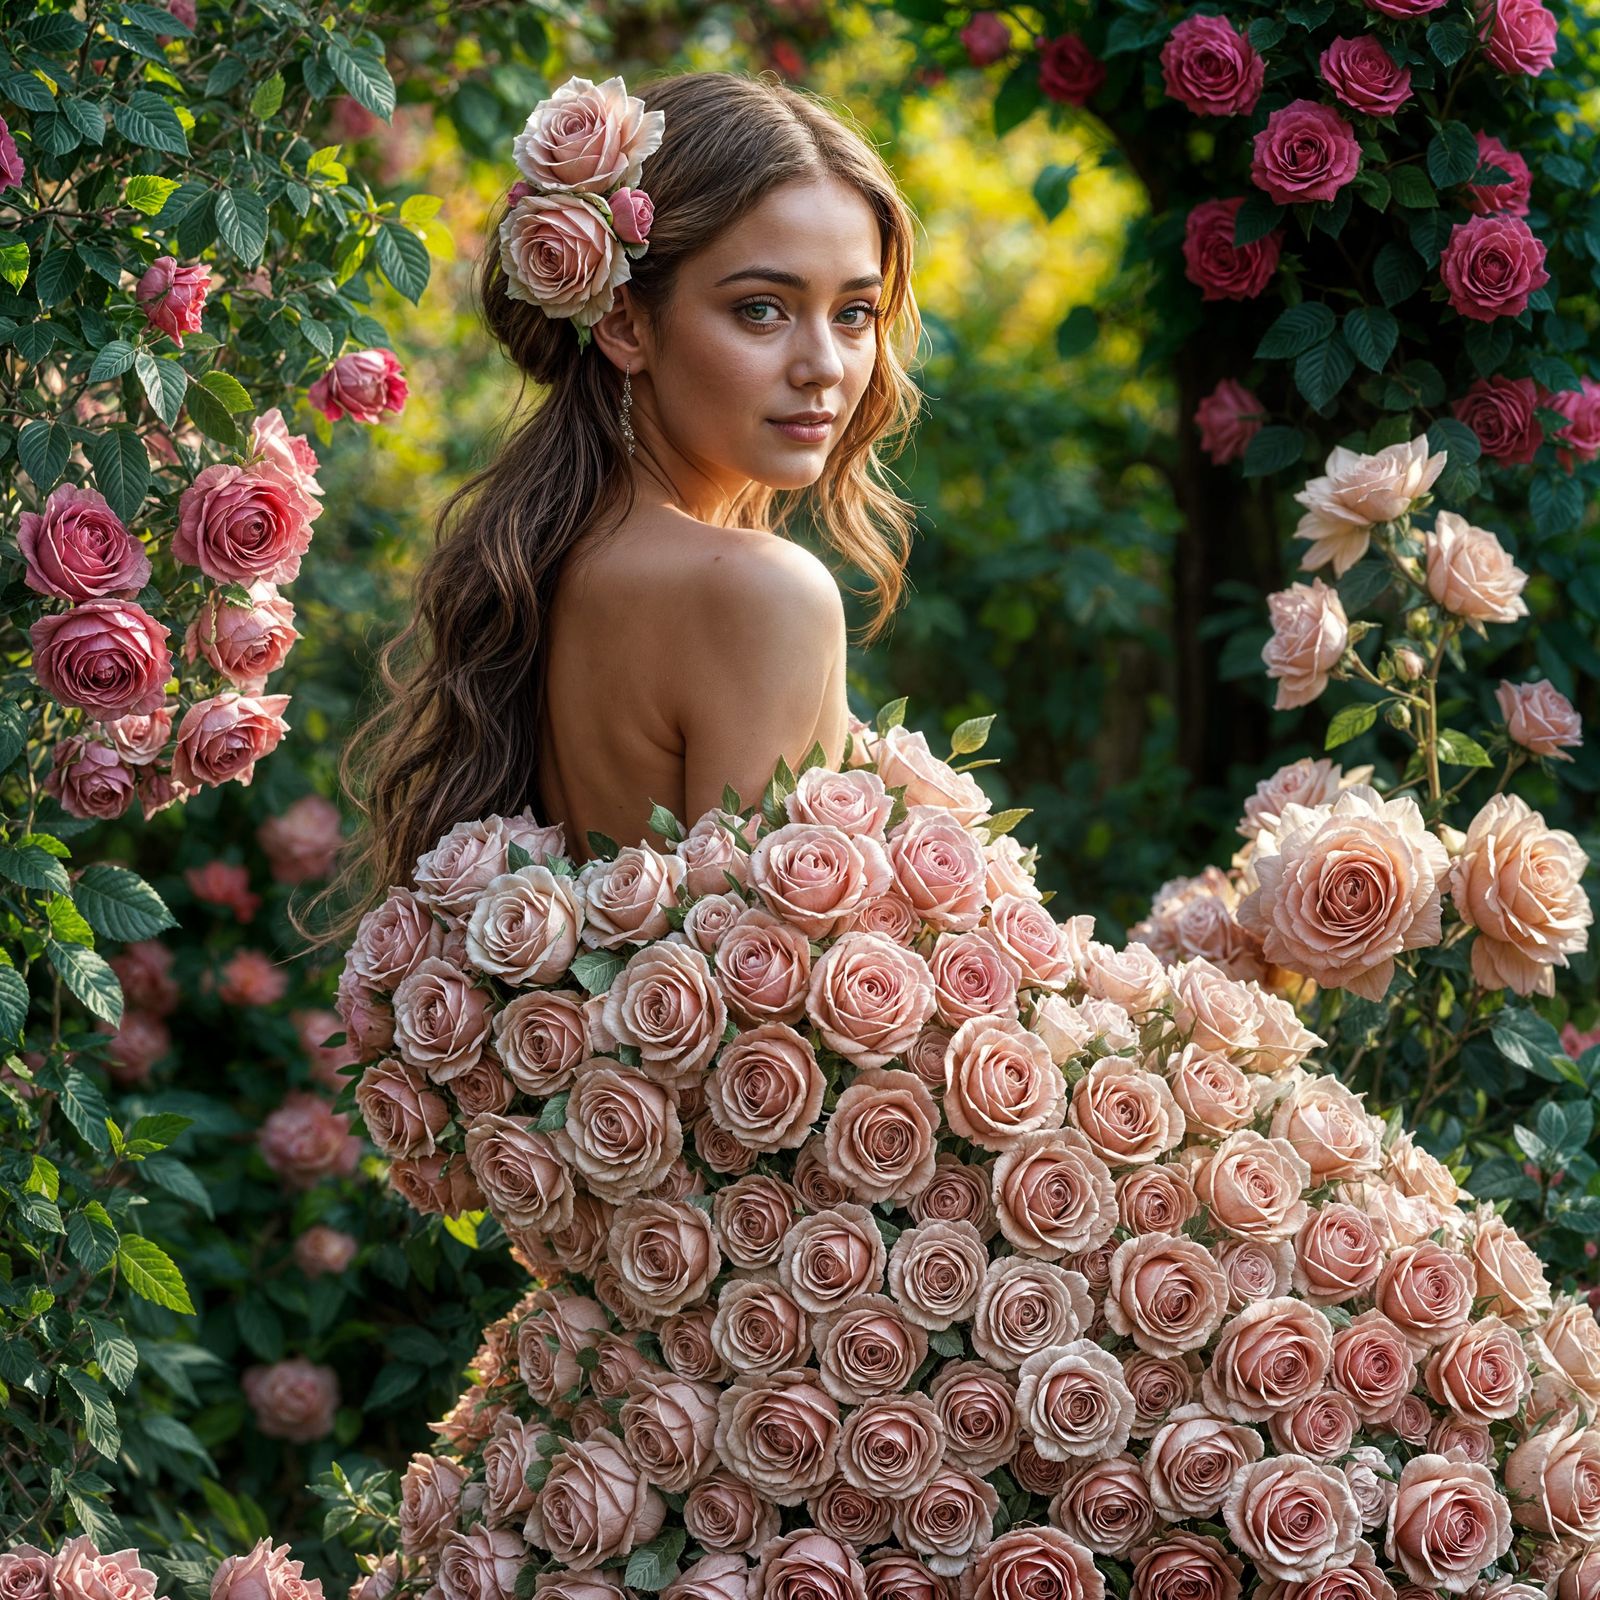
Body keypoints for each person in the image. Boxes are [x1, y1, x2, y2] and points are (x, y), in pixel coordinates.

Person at [298, 69, 925, 950]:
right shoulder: (763, 591)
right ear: (626, 324)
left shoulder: (546, 555)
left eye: (855, 312)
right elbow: (774, 1004)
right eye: (761, 309)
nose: (824, 362)